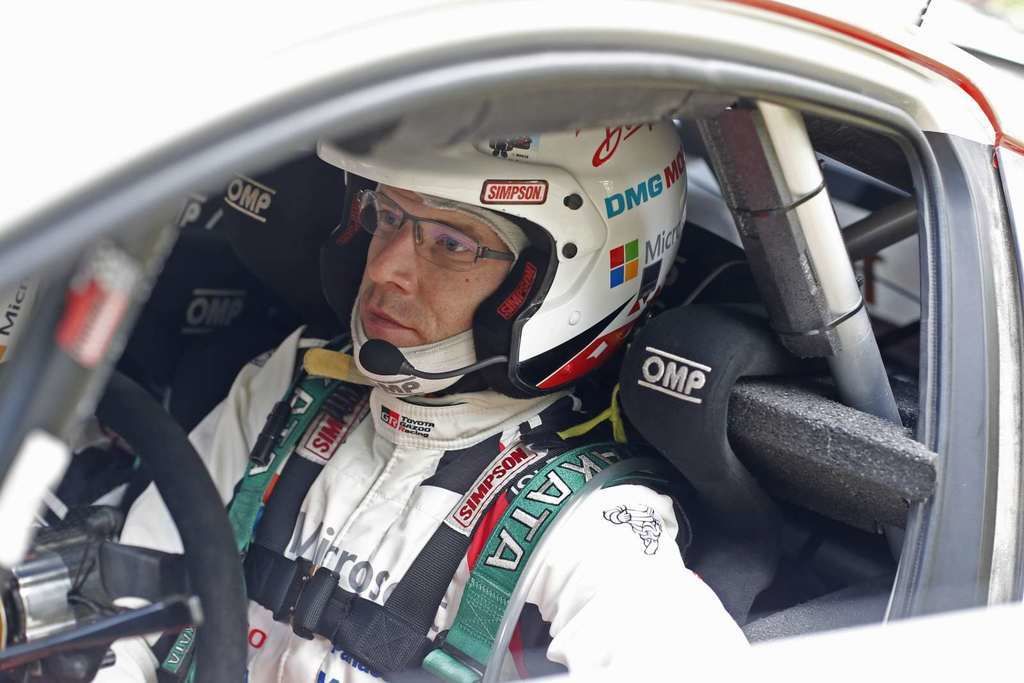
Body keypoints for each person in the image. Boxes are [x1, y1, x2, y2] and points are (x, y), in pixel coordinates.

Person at [101, 122, 745, 683]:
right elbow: (124, 605)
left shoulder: (591, 526)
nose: (385, 269)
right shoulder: (296, 384)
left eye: (451, 243)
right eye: (387, 217)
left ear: (563, 280)